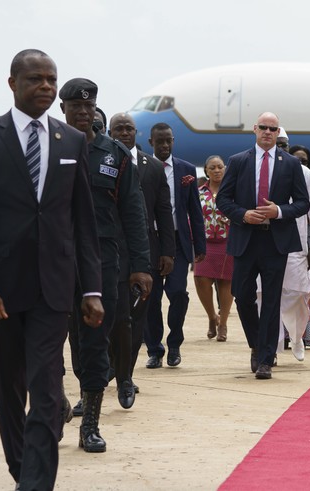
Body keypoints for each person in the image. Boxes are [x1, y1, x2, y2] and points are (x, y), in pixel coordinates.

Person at [0, 49, 103, 490]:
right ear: (12, 84)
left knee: (46, 388)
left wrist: (91, 288)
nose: (45, 86)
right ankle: (24, 471)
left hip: (54, 288)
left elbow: (83, 223)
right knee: (7, 390)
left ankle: (35, 484)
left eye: (50, 79)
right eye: (35, 79)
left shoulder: (72, 142)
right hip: (1, 290)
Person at [60, 78, 152, 453]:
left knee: (95, 340)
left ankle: (91, 426)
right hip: (55, 259)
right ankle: (57, 400)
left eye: (89, 106)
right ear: (62, 109)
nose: (83, 112)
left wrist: (141, 265)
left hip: (103, 260)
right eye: (75, 106)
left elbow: (133, 211)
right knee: (50, 339)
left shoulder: (115, 154)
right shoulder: (50, 148)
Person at [217, 112, 310, 379]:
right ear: (255, 129)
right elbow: (223, 199)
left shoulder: (291, 163)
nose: (268, 133)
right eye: (264, 128)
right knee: (242, 295)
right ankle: (256, 344)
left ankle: (266, 358)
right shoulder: (238, 161)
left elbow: (302, 203)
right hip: (246, 238)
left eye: (273, 129)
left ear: (278, 132)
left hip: (275, 240)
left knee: (271, 300)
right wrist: (243, 214)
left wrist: (278, 211)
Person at [107, 112, 175, 409]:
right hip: (105, 250)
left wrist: (168, 253)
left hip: (143, 253)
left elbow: (164, 212)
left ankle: (125, 375)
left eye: (128, 128)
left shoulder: (153, 167)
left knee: (134, 319)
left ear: (137, 133)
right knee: (108, 318)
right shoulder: (98, 158)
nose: (123, 132)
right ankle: (105, 369)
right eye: (117, 128)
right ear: (110, 132)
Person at [145, 122, 206, 369]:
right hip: (150, 242)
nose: (165, 145)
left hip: (179, 243)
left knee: (178, 293)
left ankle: (174, 343)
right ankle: (154, 349)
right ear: (151, 142)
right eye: (160, 141)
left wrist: (199, 245)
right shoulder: (142, 167)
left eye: (169, 140)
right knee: (151, 297)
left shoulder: (186, 170)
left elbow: (195, 210)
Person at [195, 155, 234, 342]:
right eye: (213, 168)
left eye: (220, 167)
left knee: (226, 283)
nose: (217, 170)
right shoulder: (199, 192)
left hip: (228, 242)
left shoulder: (233, 191)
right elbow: (191, 216)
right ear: (206, 171)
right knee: (201, 279)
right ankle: (212, 316)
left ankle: (223, 323)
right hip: (205, 242)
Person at [289, 144, 310, 347]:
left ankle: (305, 337)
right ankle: (285, 337)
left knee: (307, 292)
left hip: (309, 244)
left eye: (304, 161)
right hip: (287, 244)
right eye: (297, 160)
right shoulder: (282, 179)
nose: (301, 164)